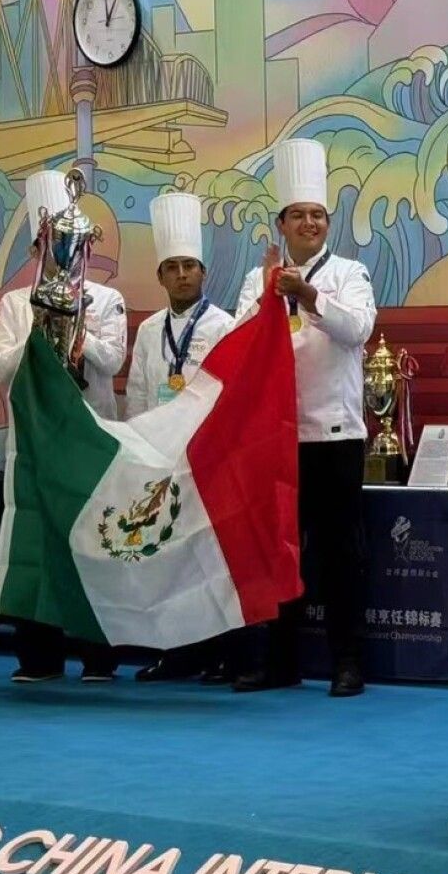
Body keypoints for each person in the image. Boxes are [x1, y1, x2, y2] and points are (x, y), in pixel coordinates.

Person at [233, 138, 377, 698]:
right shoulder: (258, 278)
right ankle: (281, 661)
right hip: (276, 436)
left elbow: (357, 329)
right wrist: (270, 296)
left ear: (327, 223)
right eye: (299, 215)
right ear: (282, 223)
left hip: (335, 434)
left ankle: (347, 662)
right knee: (279, 551)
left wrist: (308, 296)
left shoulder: (349, 273)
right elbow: (240, 341)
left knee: (342, 555)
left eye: (318, 214)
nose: (309, 223)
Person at [0, 168, 126, 684]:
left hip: (89, 433)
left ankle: (98, 655)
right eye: (54, 240)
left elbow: (113, 360)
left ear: (88, 246)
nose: (65, 250)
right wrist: (41, 332)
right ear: (37, 244)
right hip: (33, 438)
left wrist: (76, 331)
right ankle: (38, 656)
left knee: (93, 539)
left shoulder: (106, 300)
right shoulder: (15, 304)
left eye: (75, 242)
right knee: (35, 542)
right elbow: (0, 366)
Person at [125, 190, 237, 685]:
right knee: (166, 556)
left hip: (207, 455)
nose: (182, 274)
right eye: (172, 267)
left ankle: (220, 655)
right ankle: (174, 653)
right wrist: (140, 447)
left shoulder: (223, 325)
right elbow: (138, 392)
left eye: (190, 266)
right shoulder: (150, 330)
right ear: (161, 277)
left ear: (203, 272)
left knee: (209, 557)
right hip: (161, 456)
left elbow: (228, 393)